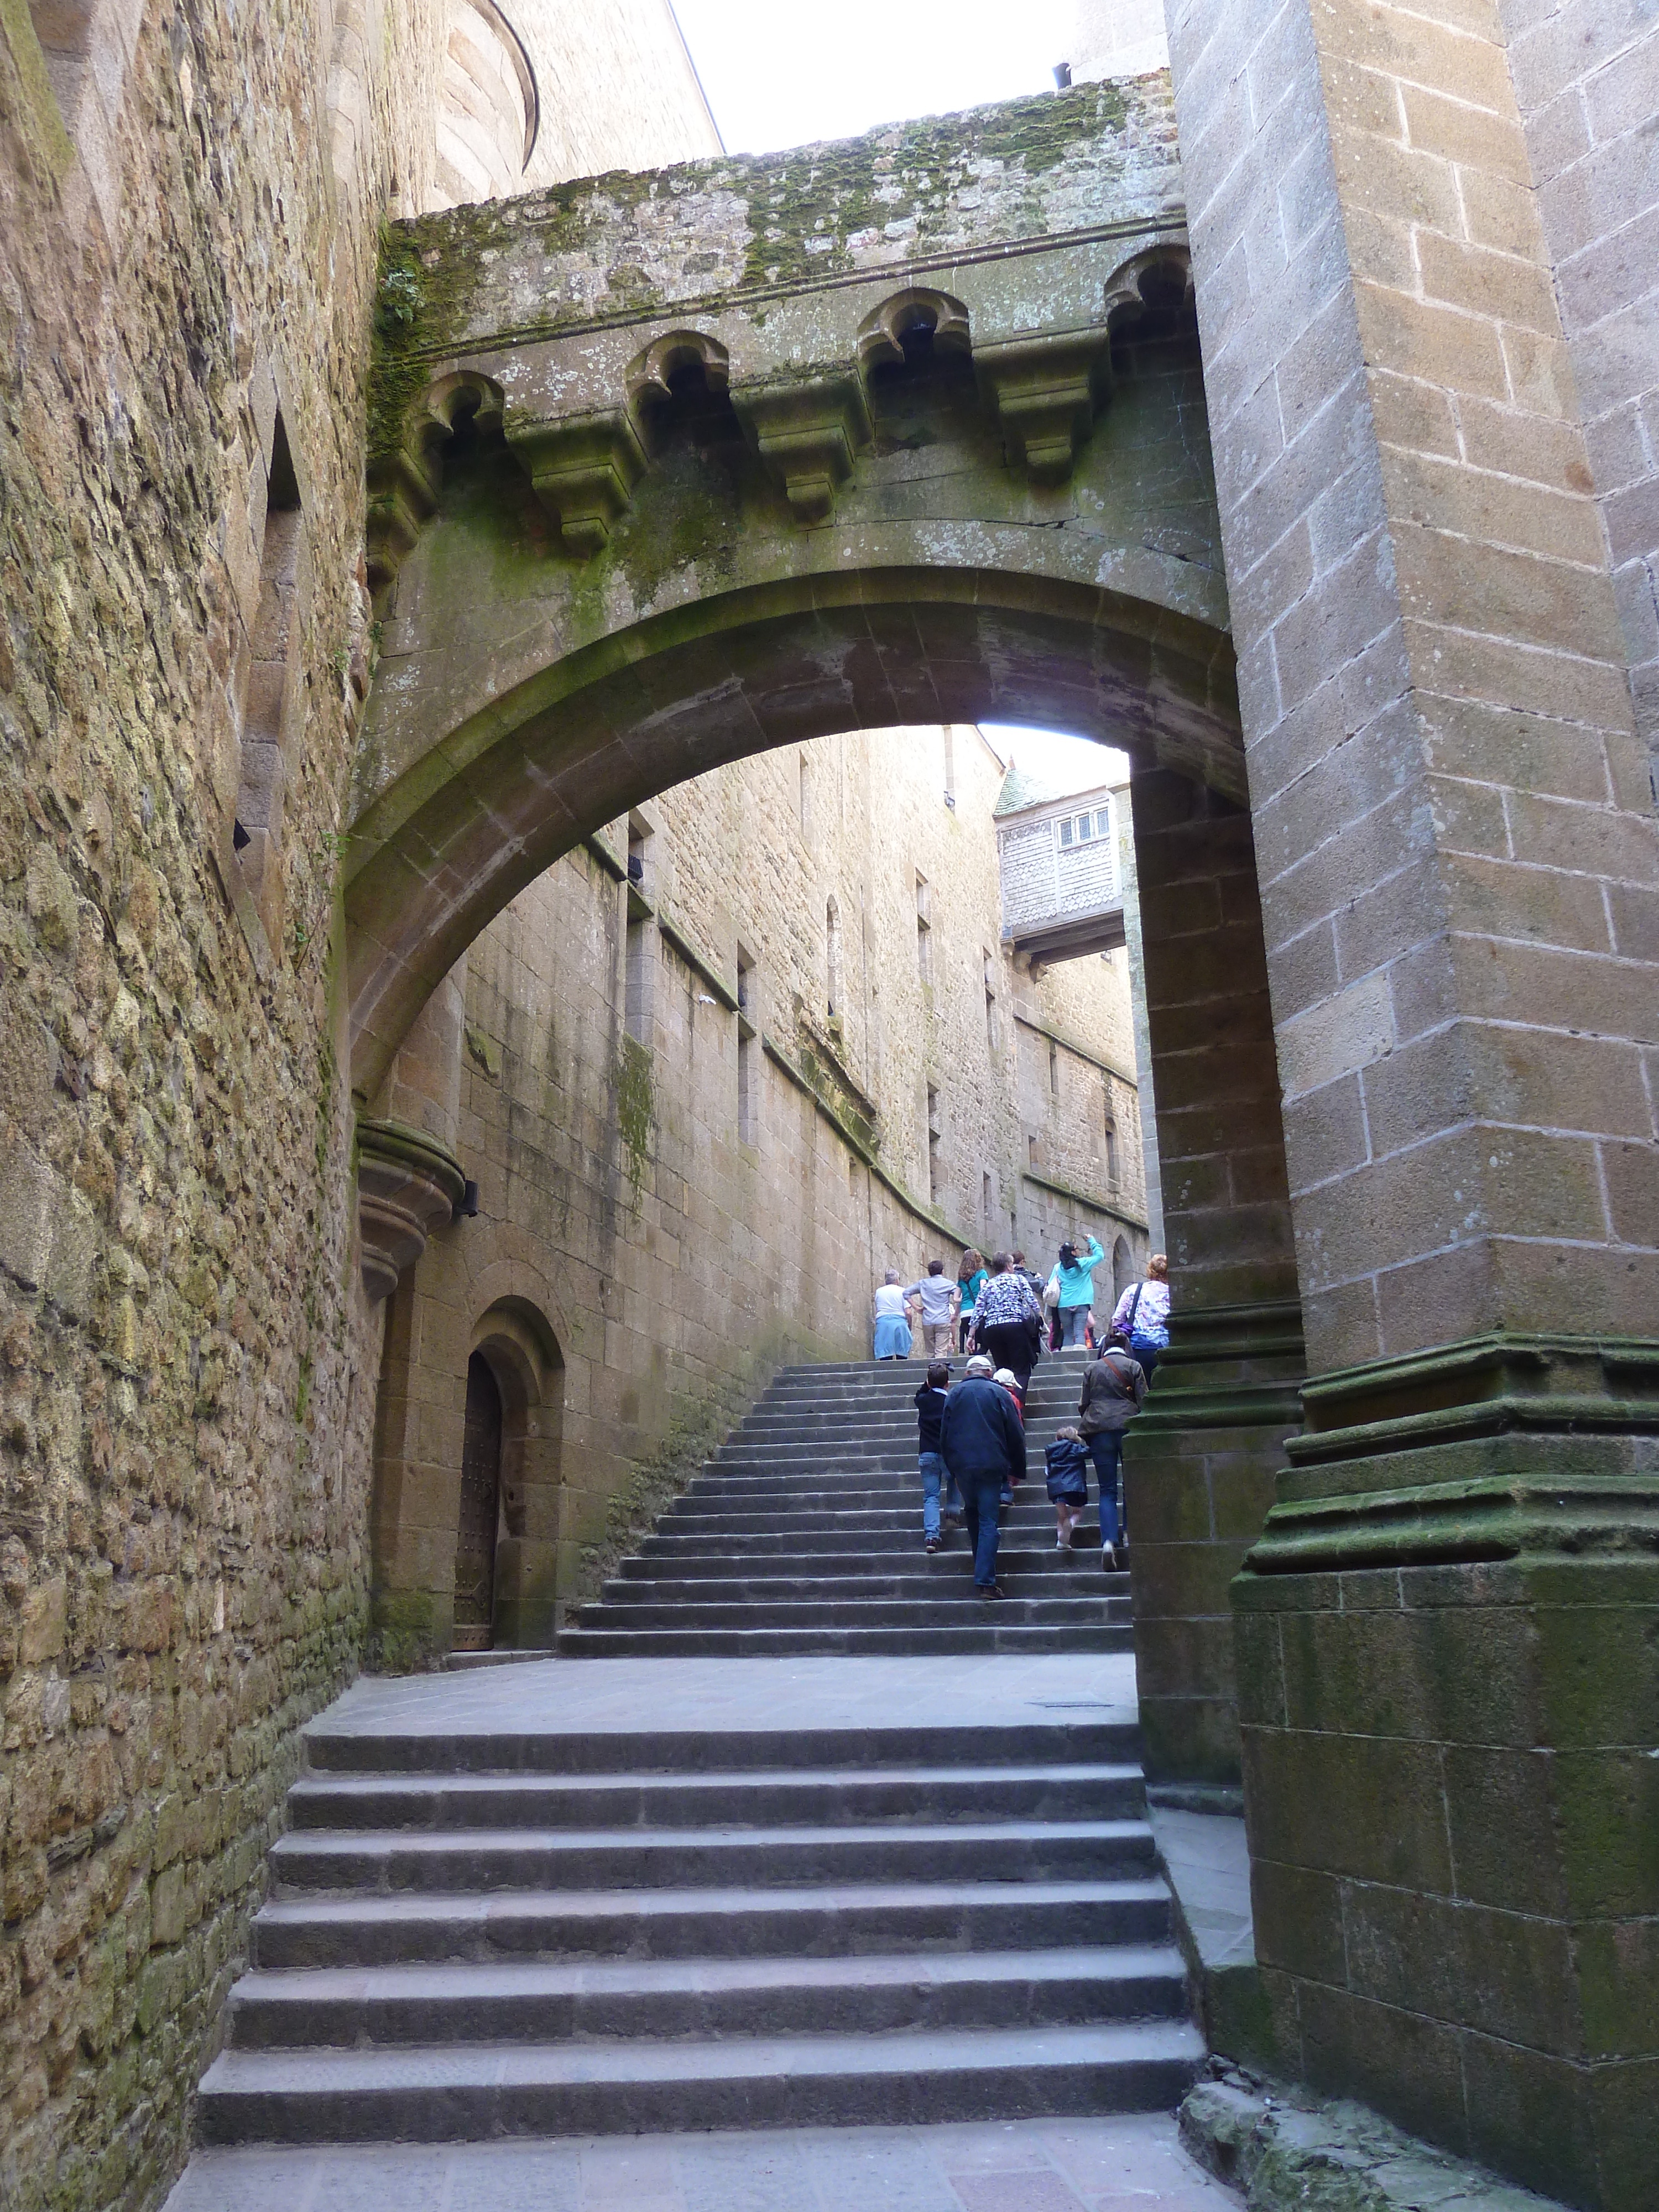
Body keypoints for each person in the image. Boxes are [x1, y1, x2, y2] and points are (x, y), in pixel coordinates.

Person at [940, 1353, 1026, 1599]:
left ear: (967, 1373)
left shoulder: (954, 1395)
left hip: (963, 1467)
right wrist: (1016, 1469)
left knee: (973, 1514)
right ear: (989, 1373)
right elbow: (1015, 1433)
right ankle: (985, 1580)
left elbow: (944, 1435)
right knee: (989, 1519)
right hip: (991, 1465)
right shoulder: (1000, 1394)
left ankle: (982, 1568)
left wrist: (950, 1468)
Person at [1078, 1329, 1147, 1569]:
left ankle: (1108, 1540)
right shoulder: (1133, 1366)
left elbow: (1083, 1403)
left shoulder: (1092, 1369)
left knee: (1107, 1490)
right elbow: (1144, 1400)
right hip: (1128, 1426)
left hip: (1099, 1431)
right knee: (1131, 1485)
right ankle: (1129, 1533)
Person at [969, 1252, 1042, 1393]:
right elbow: (1033, 1302)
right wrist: (1042, 1323)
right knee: (1021, 1369)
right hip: (1016, 1326)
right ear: (1009, 1265)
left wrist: (971, 1336)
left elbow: (978, 1310)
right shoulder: (1019, 1280)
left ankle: (1004, 1403)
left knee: (1002, 1368)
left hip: (992, 1330)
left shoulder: (989, 1285)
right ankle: (1017, 1405)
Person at [914, 1360, 956, 1552]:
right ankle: (953, 1511)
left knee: (931, 1496)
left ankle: (932, 1536)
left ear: (928, 1383)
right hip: (948, 1451)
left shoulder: (924, 1401)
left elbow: (919, 1394)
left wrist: (929, 1381)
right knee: (954, 1479)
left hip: (927, 1453)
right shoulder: (951, 1401)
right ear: (948, 1384)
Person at [1110, 1252, 1170, 1380]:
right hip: (1168, 1347)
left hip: (1139, 1349)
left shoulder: (1133, 1290)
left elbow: (1117, 1321)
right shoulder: (1172, 1292)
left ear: (1150, 1270)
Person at [1049, 1234, 1105, 1349]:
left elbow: (1051, 1283)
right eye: (1077, 1249)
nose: (1079, 1251)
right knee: (1080, 1332)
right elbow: (1100, 1256)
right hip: (1081, 1303)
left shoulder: (1057, 1268)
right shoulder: (1083, 1264)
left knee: (1068, 1334)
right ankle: (1080, 1358)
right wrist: (1091, 1240)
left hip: (1063, 1304)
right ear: (1073, 1253)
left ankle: (1067, 1360)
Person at [1045, 1423, 1091, 1549]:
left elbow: (1048, 1470)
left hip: (1056, 1488)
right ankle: (1070, 1524)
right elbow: (1091, 1452)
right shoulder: (1077, 1448)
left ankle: (1061, 1540)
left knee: (1062, 1516)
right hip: (1075, 1486)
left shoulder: (1051, 1451)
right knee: (1077, 1512)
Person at [905, 1260, 959, 1361]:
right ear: (942, 1271)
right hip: (943, 1320)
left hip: (928, 1321)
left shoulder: (923, 1283)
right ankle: (940, 1374)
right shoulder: (948, 1284)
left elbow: (906, 1293)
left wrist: (917, 1308)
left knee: (930, 1352)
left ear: (929, 1272)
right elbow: (960, 1297)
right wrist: (956, 1314)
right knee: (941, 1351)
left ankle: (931, 1373)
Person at [992, 1365, 1025, 1506]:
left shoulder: (990, 1394)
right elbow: (1017, 1421)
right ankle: (1005, 1494)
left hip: (992, 1438)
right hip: (1008, 1439)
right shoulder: (1012, 1398)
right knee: (1008, 1469)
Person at [872, 1270, 912, 1360]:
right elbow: (908, 1312)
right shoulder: (903, 1291)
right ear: (897, 1280)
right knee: (902, 1352)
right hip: (899, 1322)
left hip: (883, 1322)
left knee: (885, 1353)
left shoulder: (879, 1291)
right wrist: (910, 1326)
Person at [956, 1248, 988, 1353]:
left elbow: (956, 1298)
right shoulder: (982, 1273)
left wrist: (964, 1298)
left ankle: (972, 1362)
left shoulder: (962, 1278)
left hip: (965, 1313)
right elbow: (984, 1290)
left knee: (971, 1345)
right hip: (979, 1312)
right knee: (985, 1344)